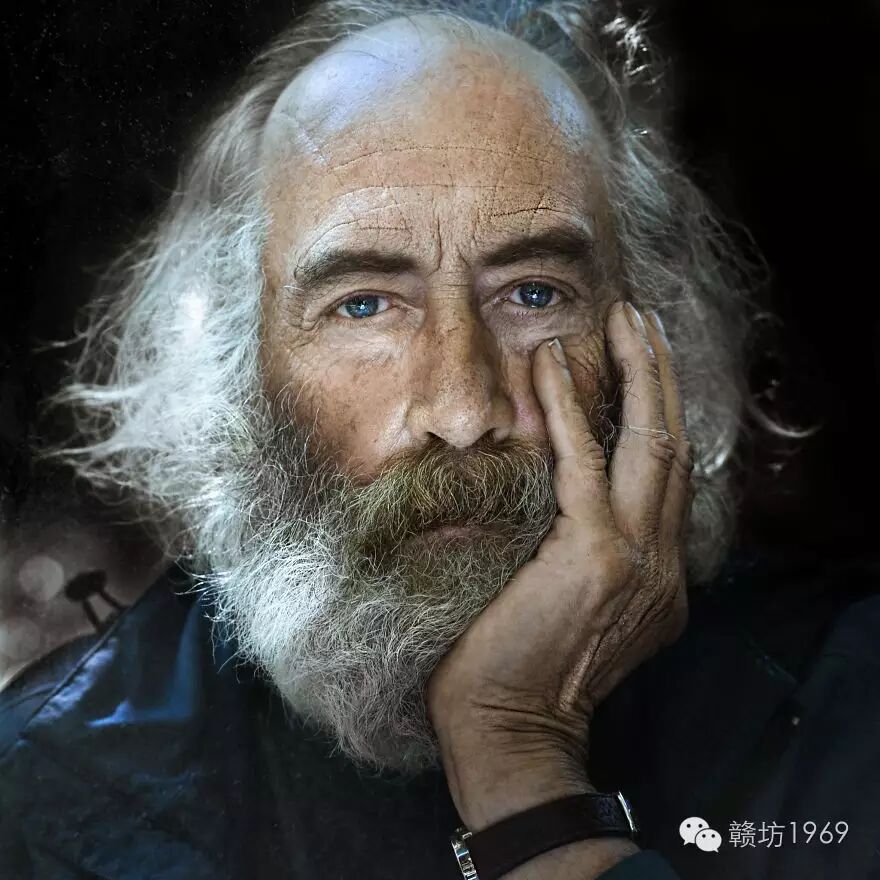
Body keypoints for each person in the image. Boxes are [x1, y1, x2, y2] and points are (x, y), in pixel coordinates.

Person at [2, 1, 879, 878]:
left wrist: (520, 765)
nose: (462, 411)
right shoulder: (46, 795)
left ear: (652, 342)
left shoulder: (850, 703)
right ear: (237, 370)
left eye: (534, 294)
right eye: (364, 305)